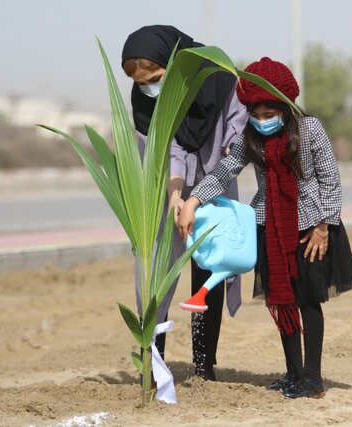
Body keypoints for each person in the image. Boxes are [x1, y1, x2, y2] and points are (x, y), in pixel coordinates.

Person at [177, 57, 352, 398]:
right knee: (280, 299)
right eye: (256, 116)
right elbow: (226, 170)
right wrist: (193, 200)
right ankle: (292, 373)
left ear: (285, 106)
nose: (262, 122)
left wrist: (324, 226)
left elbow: (330, 178)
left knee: (307, 300)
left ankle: (312, 378)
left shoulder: (310, 129)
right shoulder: (251, 137)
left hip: (310, 226)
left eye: (268, 115)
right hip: (269, 224)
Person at [121, 25, 249, 381]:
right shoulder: (148, 98)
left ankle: (204, 365)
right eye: (141, 84)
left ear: (175, 63)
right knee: (157, 270)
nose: (151, 89)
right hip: (168, 189)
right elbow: (167, 148)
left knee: (209, 272)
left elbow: (234, 155)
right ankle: (153, 362)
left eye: (157, 78)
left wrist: (197, 198)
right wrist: (175, 195)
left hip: (217, 185)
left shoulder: (222, 82)